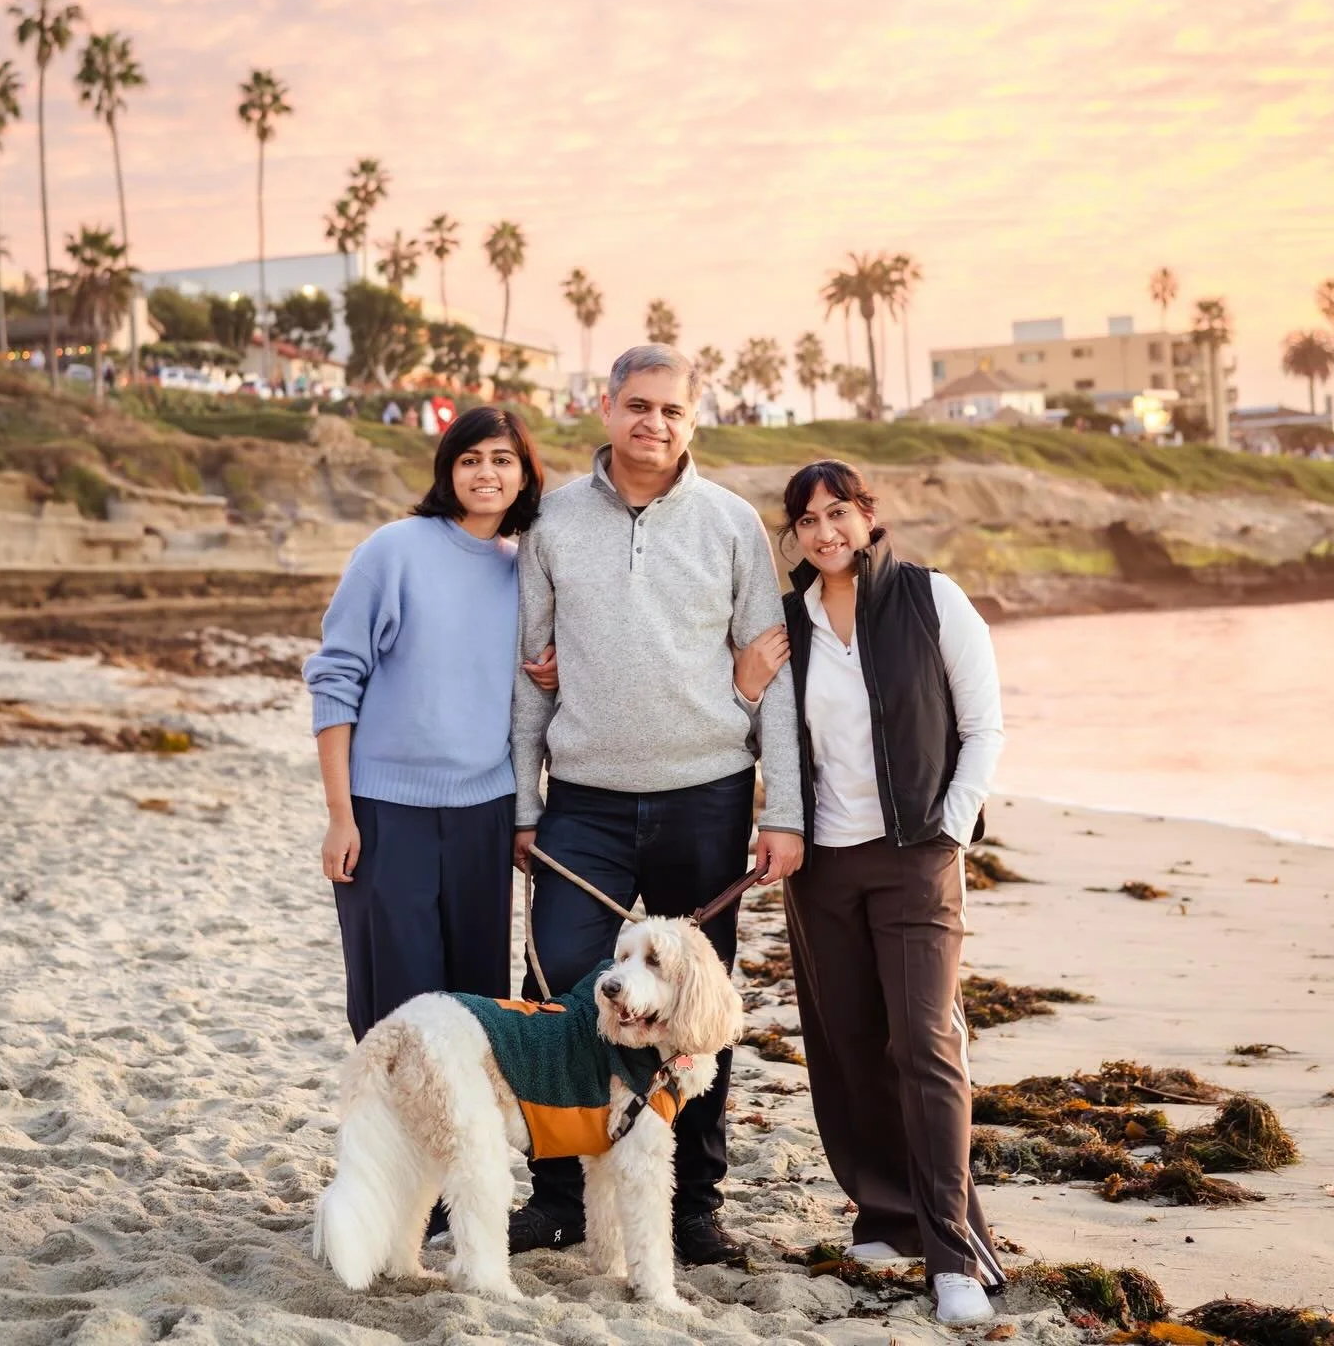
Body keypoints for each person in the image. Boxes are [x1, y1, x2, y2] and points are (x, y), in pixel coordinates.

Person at [508, 343, 804, 1267]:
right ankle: (557, 1194)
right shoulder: (552, 522)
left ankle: (692, 1207)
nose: (654, 425)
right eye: (638, 406)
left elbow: (775, 670)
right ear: (605, 409)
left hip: (706, 794)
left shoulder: (729, 523)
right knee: (557, 982)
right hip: (584, 802)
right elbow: (530, 677)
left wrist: (782, 809)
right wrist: (525, 803)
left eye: (672, 411)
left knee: (696, 1000)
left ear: (692, 421)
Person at [739, 459, 1006, 1326]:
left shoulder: (932, 599)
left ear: (867, 516)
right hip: (822, 865)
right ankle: (888, 1213)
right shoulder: (789, 623)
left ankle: (954, 1252)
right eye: (807, 520)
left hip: (916, 856)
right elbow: (759, 737)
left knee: (924, 1045)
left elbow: (983, 724)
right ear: (794, 533)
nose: (826, 532)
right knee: (847, 1042)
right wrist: (744, 688)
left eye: (839, 513)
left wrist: (952, 826)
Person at [303, 406, 555, 1050]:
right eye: (470, 459)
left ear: (525, 475)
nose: (486, 473)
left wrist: (555, 676)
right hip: (387, 815)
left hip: (485, 814)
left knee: (473, 1010)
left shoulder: (525, 570)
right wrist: (340, 814)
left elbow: (532, 682)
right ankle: (392, 1145)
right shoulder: (393, 551)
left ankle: (454, 1147)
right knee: (394, 1010)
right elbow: (336, 678)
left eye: (502, 460)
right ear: (448, 470)